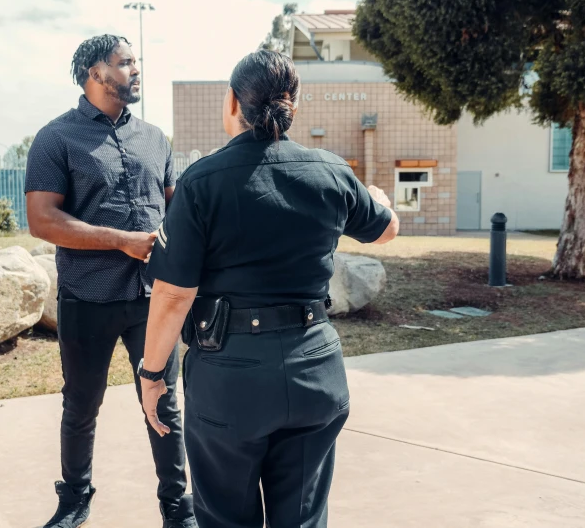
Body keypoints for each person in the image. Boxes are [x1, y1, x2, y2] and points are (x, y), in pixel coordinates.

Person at [138, 50, 399, 528]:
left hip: (230, 382)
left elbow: (173, 295)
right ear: (292, 105)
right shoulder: (331, 171)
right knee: (301, 519)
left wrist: (152, 374)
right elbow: (386, 230)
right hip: (314, 372)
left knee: (225, 518)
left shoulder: (202, 182)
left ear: (233, 102)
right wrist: (379, 199)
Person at [24, 34, 196, 528]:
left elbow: (175, 210)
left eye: (136, 62)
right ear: (94, 74)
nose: (135, 70)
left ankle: (177, 508)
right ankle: (75, 500)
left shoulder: (155, 138)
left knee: (164, 401)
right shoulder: (55, 138)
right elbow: (43, 219)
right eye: (125, 63)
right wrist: (120, 239)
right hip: (87, 296)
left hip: (153, 300)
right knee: (81, 405)